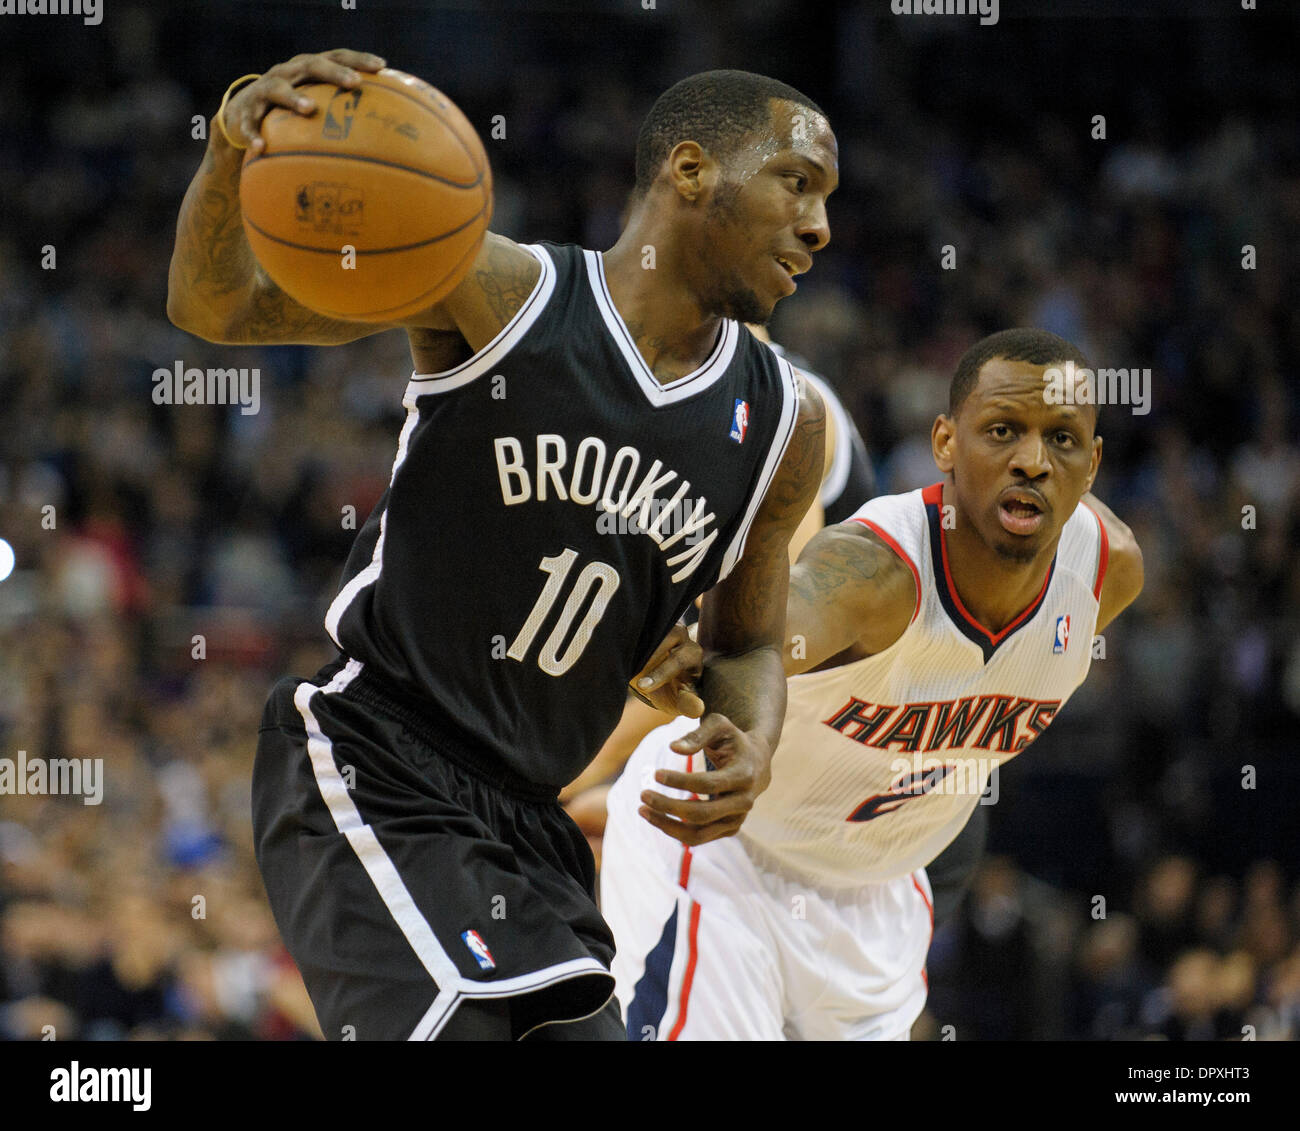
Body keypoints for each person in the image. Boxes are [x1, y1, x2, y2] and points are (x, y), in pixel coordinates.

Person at [167, 53, 833, 1040]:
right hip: (380, 757)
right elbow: (215, 305)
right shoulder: (505, 293)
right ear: (691, 172)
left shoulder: (784, 428)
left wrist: (752, 738)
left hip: (536, 824)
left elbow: (745, 646)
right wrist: (231, 148)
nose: (820, 227)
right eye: (798, 183)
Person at [600, 327, 1144, 1040]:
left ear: (1094, 461)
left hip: (882, 895)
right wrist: (687, 650)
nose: (1033, 462)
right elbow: (760, 631)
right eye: (1003, 431)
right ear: (945, 442)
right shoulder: (877, 575)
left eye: (1063, 439)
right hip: (724, 851)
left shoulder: (1110, 575)